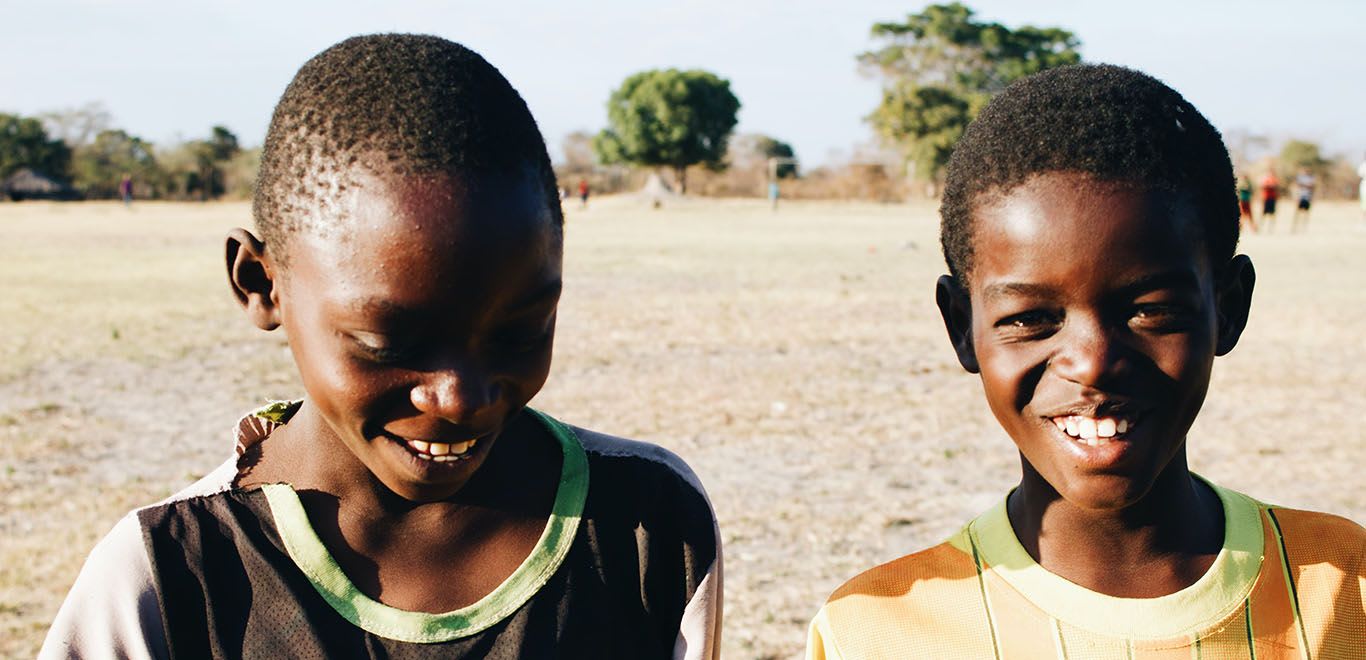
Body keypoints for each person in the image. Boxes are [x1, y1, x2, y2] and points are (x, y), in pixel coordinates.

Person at [41, 34, 721, 659]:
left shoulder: (651, 528)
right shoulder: (170, 576)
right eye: (386, 341)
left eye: (519, 331)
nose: (460, 398)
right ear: (260, 284)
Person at [806, 64, 1364, 659]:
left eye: (1150, 311)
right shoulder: (876, 632)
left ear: (1227, 308)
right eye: (1029, 319)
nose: (1093, 363)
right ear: (960, 327)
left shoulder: (1346, 588)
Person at [1292, 168, 1315, 233]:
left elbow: (1312, 187)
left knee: (1306, 213)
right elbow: (1297, 186)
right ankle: (1295, 227)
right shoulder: (1299, 178)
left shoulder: (1311, 178)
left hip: (1307, 197)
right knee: (1297, 213)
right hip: (1300, 197)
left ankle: (1303, 228)